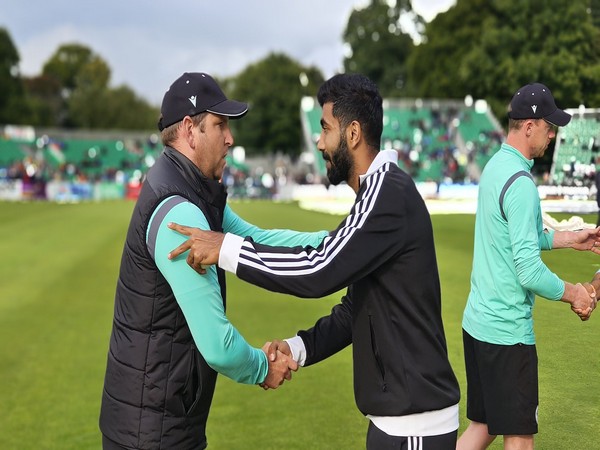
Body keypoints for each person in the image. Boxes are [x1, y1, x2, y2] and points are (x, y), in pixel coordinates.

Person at [167, 73, 461, 449]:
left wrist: (226, 249)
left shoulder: (385, 195)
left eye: (325, 129)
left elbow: (319, 269)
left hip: (415, 425)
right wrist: (299, 347)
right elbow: (356, 308)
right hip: (399, 420)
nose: (320, 141)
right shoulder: (380, 194)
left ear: (352, 134)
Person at [99, 72, 328, 450]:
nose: (230, 138)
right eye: (219, 125)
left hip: (156, 420)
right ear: (190, 130)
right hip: (152, 431)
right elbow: (218, 345)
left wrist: (337, 240)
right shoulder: (181, 213)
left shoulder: (188, 190)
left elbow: (259, 241)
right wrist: (262, 367)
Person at [455, 82, 599, 450]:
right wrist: (576, 294)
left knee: (482, 427)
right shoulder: (520, 183)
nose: (553, 134)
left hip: (478, 324)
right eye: (549, 126)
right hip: (507, 334)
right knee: (519, 437)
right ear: (529, 125)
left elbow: (518, 238)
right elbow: (528, 270)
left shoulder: (496, 166)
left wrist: (571, 238)